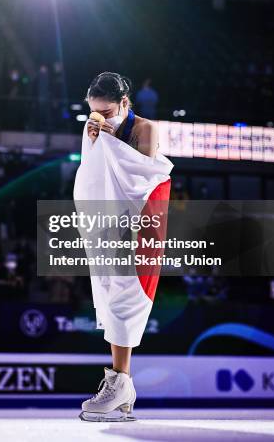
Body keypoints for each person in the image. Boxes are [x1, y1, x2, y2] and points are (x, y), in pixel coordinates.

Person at [74, 71, 173, 422]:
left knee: (125, 297)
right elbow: (94, 175)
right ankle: (122, 386)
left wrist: (112, 140)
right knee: (108, 293)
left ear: (125, 103)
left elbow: (142, 178)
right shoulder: (97, 126)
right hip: (109, 226)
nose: (101, 115)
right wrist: (95, 143)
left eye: (107, 110)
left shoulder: (146, 128)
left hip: (140, 224)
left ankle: (120, 383)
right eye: (95, 110)